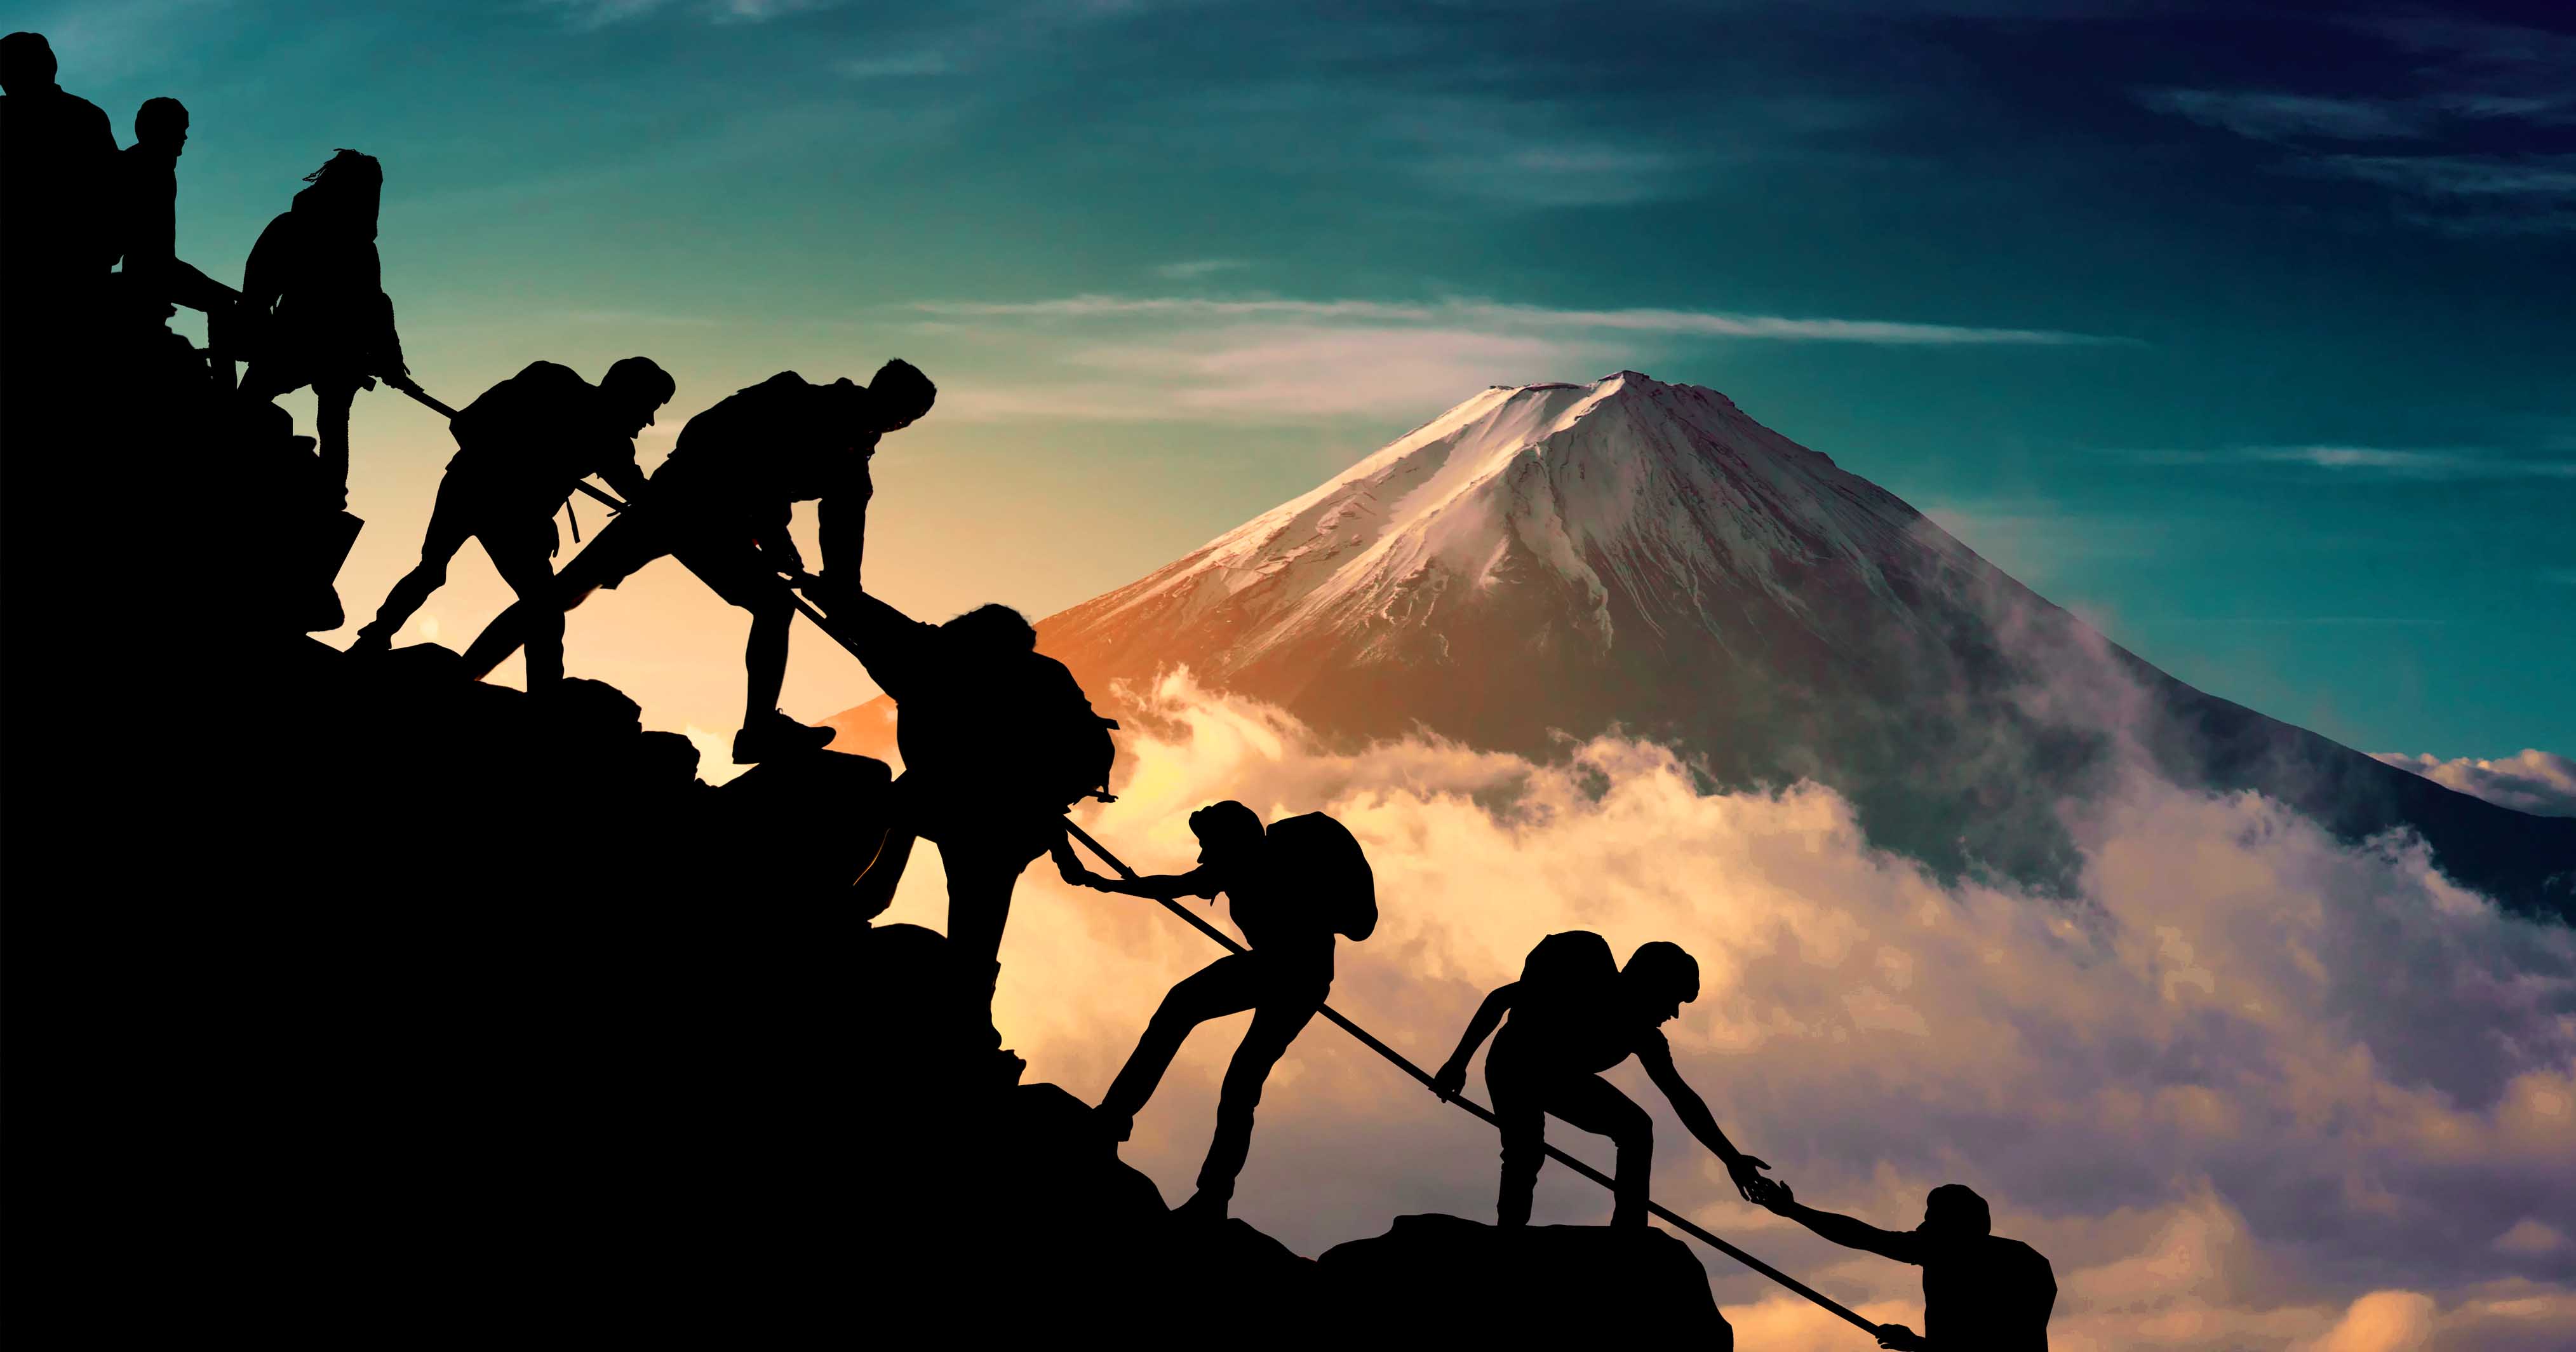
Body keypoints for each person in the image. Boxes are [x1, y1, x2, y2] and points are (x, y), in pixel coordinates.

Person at [457, 362, 936, 760]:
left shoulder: (852, 464)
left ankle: (461, 677)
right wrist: (768, 528)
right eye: (903, 412)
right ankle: (759, 729)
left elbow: (843, 529)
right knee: (567, 593)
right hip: (684, 502)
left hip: (704, 516)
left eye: (908, 419)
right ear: (884, 395)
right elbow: (720, 438)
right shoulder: (795, 398)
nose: (899, 424)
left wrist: (838, 589)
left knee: (564, 592)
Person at [1058, 802, 1369, 1221]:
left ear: (1229, 840)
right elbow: (1176, 884)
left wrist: (1107, 885)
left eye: (1208, 844)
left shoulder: (1266, 860)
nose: (1205, 853)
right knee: (1201, 1032)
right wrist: (1108, 885)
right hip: (1279, 969)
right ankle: (1121, 1122)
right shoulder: (1235, 863)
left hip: (1296, 975)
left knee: (1233, 1069)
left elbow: (1181, 883)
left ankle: (1188, 1175)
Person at [824, 590, 1115, 1012]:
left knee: (899, 817)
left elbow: (892, 637)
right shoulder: (1032, 674)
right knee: (974, 916)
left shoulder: (949, 666)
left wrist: (840, 599)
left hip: (986, 813)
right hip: (998, 815)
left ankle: (861, 907)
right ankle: (969, 1016)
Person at [352, 357, 676, 681]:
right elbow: (465, 424)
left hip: (499, 506)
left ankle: (375, 638)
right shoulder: (553, 385)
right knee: (535, 606)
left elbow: (638, 491)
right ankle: (543, 699)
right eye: (648, 406)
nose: (648, 421)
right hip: (481, 496)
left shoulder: (611, 441)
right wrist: (525, 499)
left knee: (525, 603)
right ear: (627, 393)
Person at [1432, 933, 1769, 1228]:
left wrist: (1732, 1159)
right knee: (1525, 1152)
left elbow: (1682, 1098)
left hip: (1560, 1078)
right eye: (1674, 999)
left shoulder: (1644, 1037)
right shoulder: (1586, 982)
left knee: (1636, 1128)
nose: (1675, 1014)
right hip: (1515, 1064)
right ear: (1652, 985)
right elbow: (1500, 999)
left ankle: (1628, 1233)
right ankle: (1510, 1235)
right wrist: (1457, 1063)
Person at [238, 149, 414, 507]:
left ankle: (329, 495)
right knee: (319, 418)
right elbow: (259, 288)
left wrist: (391, 360)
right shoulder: (302, 230)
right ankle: (323, 493)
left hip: (323, 350)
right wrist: (387, 358)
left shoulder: (347, 242)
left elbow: (375, 305)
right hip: (297, 343)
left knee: (323, 417)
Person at [1747, 1178, 2056, 1351]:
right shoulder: (2030, 1262)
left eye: (1930, 1221)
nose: (1921, 1229)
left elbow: (1998, 1351)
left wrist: (1917, 1346)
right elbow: (1863, 1236)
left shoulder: (1943, 1252)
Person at [115, 97, 239, 318]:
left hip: (154, 272)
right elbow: (155, 258)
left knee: (224, 300)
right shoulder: (142, 169)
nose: (185, 137)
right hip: (148, 276)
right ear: (161, 129)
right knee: (223, 302)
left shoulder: (157, 169)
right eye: (180, 129)